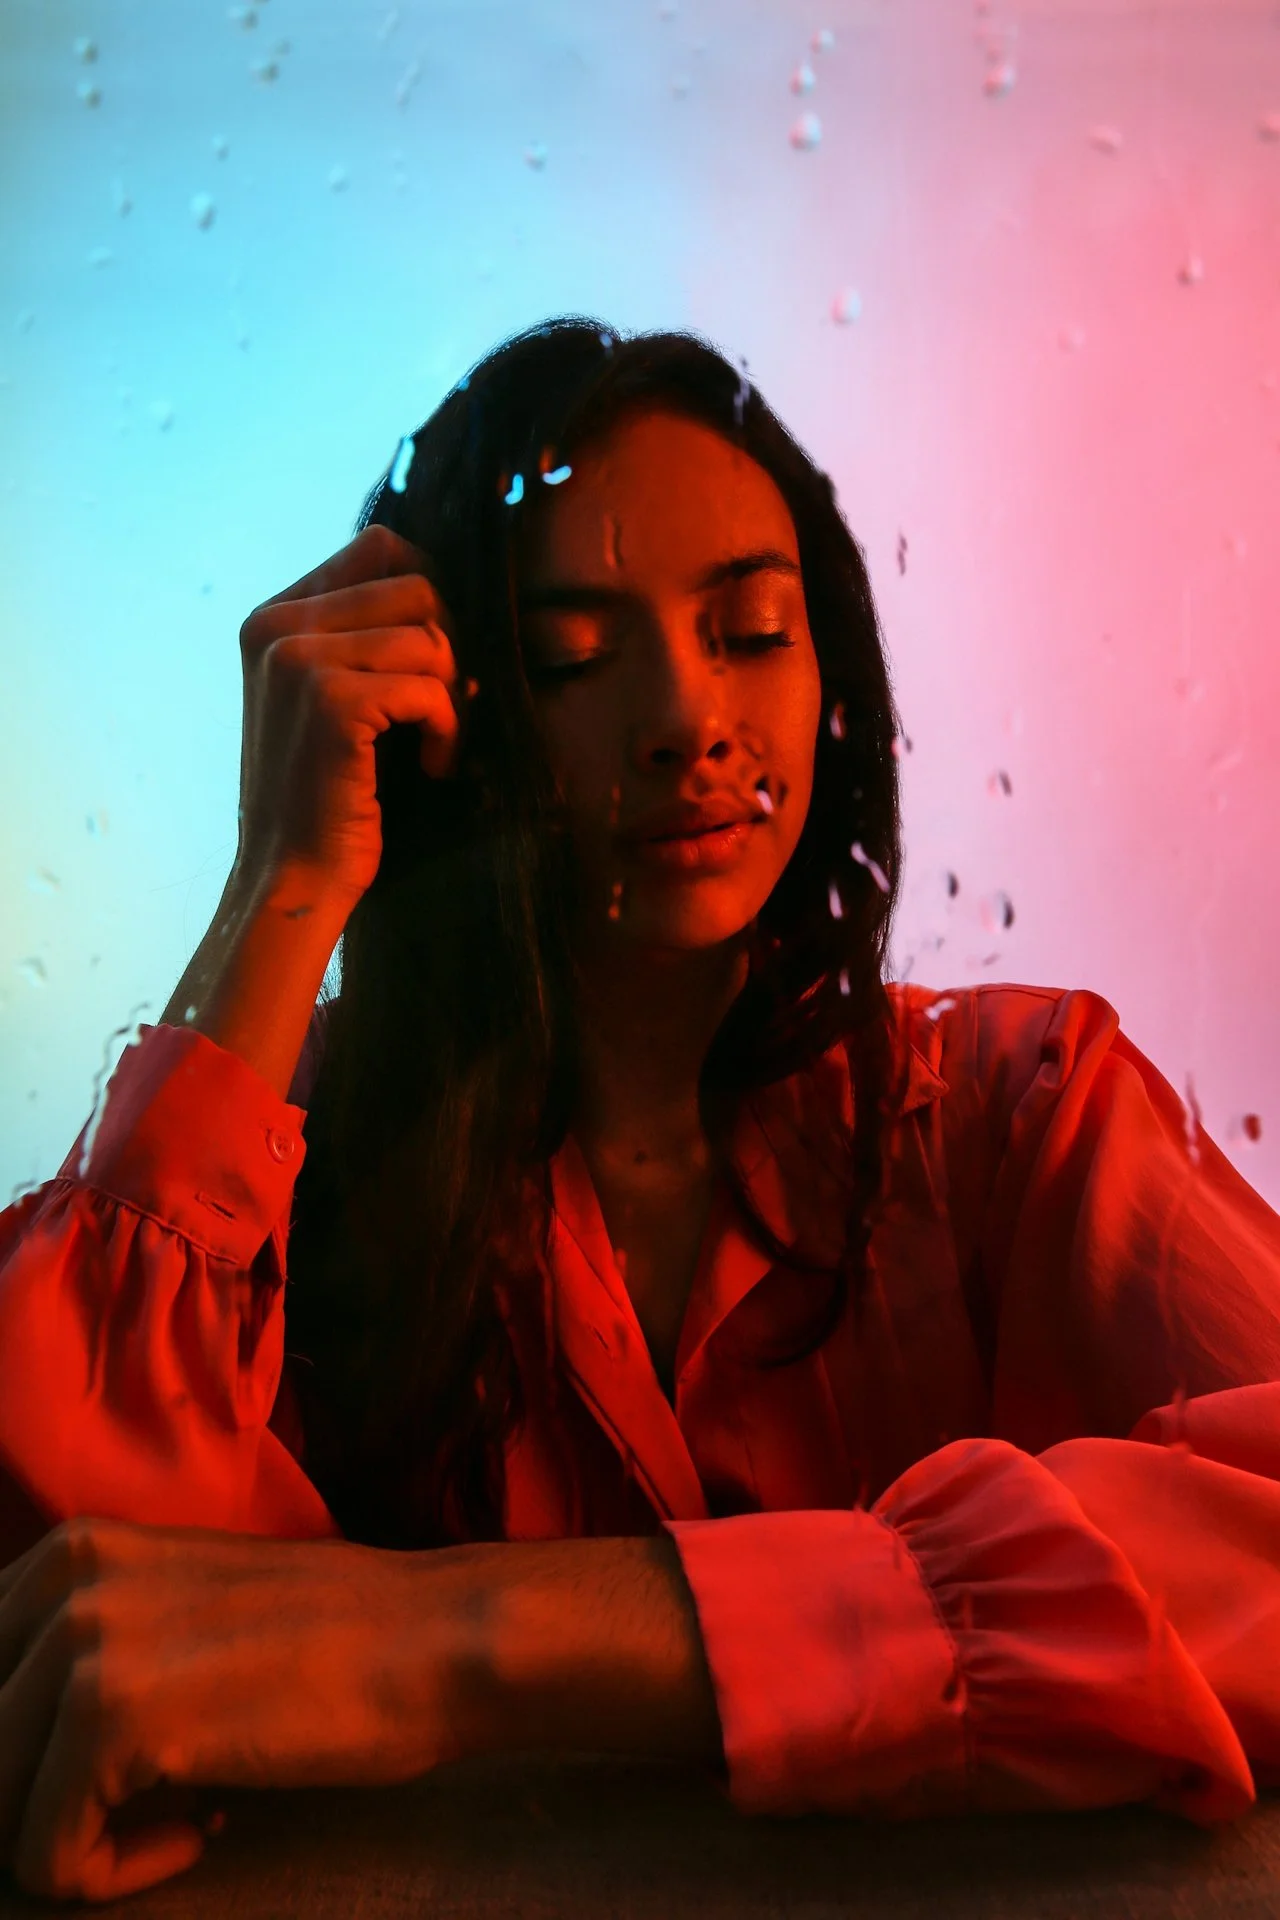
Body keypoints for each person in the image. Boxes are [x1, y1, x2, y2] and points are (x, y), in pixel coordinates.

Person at [2, 317, 1280, 1902]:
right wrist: (280, 888)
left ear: (833, 674)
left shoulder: (1021, 1117)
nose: (687, 717)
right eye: (575, 658)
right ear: (452, 709)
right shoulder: (298, 1159)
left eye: (751, 628)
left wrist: (455, 1639)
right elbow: (60, 1616)